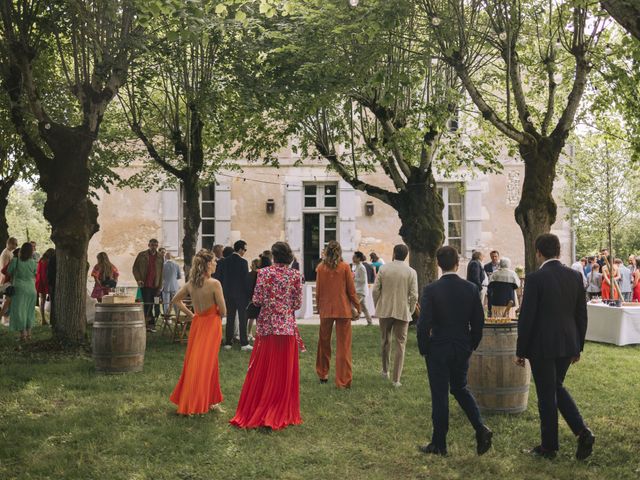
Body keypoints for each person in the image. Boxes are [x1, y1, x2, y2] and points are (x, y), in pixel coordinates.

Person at [516, 233, 594, 460]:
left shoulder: (535, 278)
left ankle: (549, 447)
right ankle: (582, 432)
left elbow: (527, 318)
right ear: (558, 251)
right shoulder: (574, 276)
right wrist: (578, 345)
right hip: (568, 342)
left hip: (542, 345)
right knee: (555, 387)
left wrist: (520, 351)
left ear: (538, 252)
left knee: (547, 394)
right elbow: (582, 313)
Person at [416, 246, 492, 456]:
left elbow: (424, 324)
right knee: (460, 388)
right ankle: (480, 427)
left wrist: (425, 347)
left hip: (438, 347)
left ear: (439, 265)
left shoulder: (432, 290)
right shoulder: (470, 288)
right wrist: (471, 344)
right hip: (461, 346)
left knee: (440, 394)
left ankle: (439, 443)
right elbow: (478, 321)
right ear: (457, 264)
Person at [230, 242, 303, 430]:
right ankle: (281, 407)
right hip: (286, 327)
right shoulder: (295, 274)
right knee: (283, 370)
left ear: (273, 256)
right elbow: (297, 304)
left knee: (264, 368)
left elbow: (257, 300)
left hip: (267, 327)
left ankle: (261, 405)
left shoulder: (264, 273)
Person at [169, 250, 226, 415]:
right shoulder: (215, 283)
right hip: (211, 325)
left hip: (198, 324)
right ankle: (198, 401)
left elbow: (175, 300)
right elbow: (223, 311)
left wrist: (192, 314)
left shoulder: (190, 284)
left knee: (199, 361)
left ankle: (210, 400)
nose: (216, 263)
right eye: (214, 261)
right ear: (208, 264)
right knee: (206, 363)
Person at [316, 240, 360, 388]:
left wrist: (319, 307)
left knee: (323, 343)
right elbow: (351, 291)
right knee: (344, 346)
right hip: (343, 310)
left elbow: (319, 290)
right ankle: (343, 380)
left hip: (326, 310)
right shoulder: (345, 267)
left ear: (326, 251)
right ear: (340, 252)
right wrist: (357, 306)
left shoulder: (320, 268)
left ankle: (323, 374)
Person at [372, 244, 418, 387]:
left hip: (385, 309)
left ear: (393, 253)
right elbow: (414, 295)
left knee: (385, 340)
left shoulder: (384, 269)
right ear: (406, 255)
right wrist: (410, 310)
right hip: (402, 310)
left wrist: (377, 305)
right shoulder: (411, 272)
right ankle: (396, 379)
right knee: (400, 344)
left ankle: (385, 371)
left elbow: (375, 290)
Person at [220, 240, 252, 351]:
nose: (245, 252)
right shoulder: (243, 262)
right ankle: (244, 343)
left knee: (230, 318)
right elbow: (246, 281)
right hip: (241, 295)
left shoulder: (225, 261)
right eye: (245, 249)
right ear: (240, 249)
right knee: (243, 319)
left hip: (228, 294)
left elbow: (222, 278)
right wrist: (249, 296)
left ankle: (228, 342)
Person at [7, 243, 37, 342]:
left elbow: (8, 272)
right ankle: (29, 335)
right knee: (29, 311)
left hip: (19, 288)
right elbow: (35, 274)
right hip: (31, 289)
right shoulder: (33, 262)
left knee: (20, 312)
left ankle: (23, 335)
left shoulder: (15, 261)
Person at [132, 239, 164, 332]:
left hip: (156, 284)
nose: (154, 247)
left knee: (154, 304)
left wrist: (160, 286)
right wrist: (138, 279)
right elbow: (135, 268)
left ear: (157, 246)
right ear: (148, 245)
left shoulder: (160, 257)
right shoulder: (142, 255)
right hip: (145, 284)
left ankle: (149, 324)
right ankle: (149, 324)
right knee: (147, 304)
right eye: (152, 245)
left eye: (155, 245)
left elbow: (162, 272)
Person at [352, 251, 372, 325]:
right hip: (359, 290)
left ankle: (354, 317)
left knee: (351, 304)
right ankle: (369, 322)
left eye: (354, 257)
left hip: (360, 291)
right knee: (364, 308)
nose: (353, 258)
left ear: (358, 258)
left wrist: (354, 278)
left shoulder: (361, 267)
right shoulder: (357, 267)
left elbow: (363, 280)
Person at [35, 248, 55, 325]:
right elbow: (44, 274)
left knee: (42, 300)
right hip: (45, 281)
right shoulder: (47, 261)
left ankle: (43, 319)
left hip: (39, 282)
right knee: (51, 300)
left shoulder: (41, 260)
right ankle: (50, 319)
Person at [162, 251, 182, 317]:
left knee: (166, 303)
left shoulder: (162, 265)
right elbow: (179, 277)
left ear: (165, 257)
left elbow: (161, 277)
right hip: (175, 286)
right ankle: (177, 316)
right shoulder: (176, 265)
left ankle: (167, 318)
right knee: (176, 302)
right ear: (172, 257)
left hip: (165, 286)